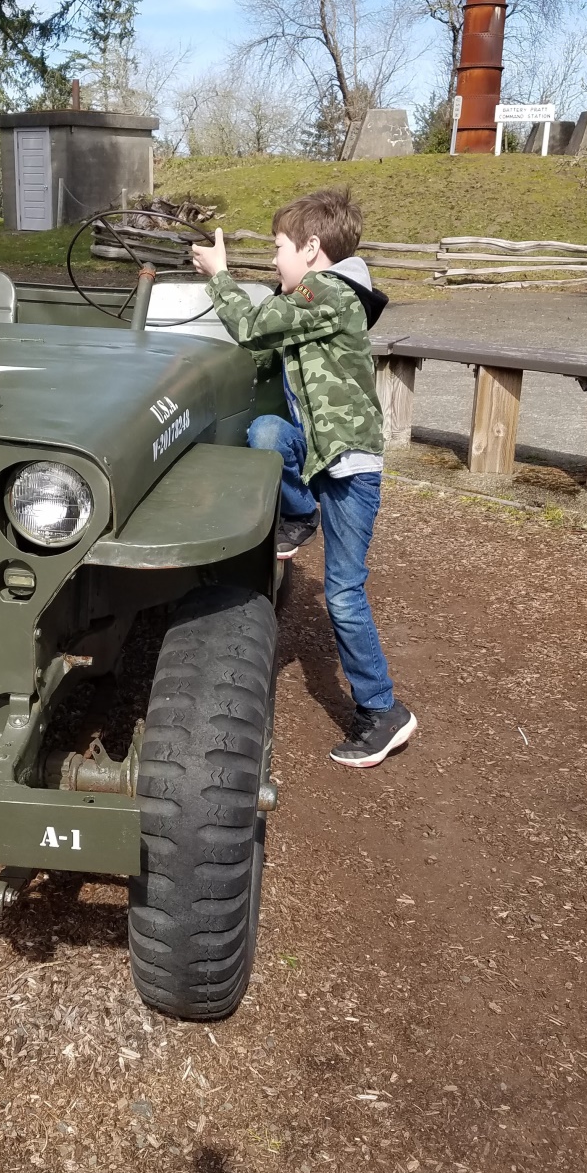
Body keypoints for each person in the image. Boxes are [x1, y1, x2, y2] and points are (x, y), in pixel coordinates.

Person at [191, 187, 417, 769]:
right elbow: (265, 347)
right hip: (316, 451)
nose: (273, 260)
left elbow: (255, 324)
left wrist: (219, 276)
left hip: (348, 467)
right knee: (268, 430)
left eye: (279, 248)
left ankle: (382, 710)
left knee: (343, 594)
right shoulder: (317, 299)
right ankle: (299, 513)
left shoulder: (331, 291)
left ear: (312, 249)